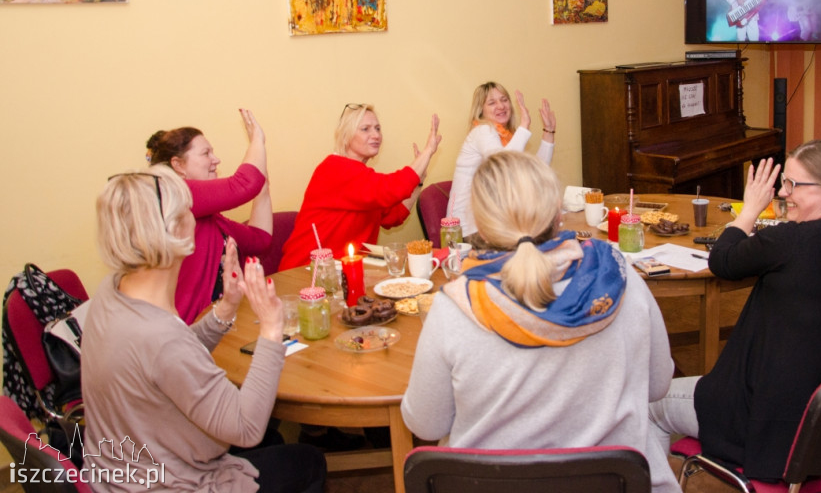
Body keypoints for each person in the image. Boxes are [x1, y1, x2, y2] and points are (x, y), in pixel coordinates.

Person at [402, 151, 682, 493]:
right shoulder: (622, 279)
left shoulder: (455, 307)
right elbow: (657, 386)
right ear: (558, 214)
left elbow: (425, 424)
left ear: (480, 223)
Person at [649, 143, 821, 482]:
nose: (783, 193)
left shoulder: (791, 241)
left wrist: (750, 208)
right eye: (785, 182)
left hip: (772, 426)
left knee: (650, 405)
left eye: (793, 185)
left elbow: (722, 260)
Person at [83, 167, 325, 493]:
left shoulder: (111, 293)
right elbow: (246, 426)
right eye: (189, 212)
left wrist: (225, 309)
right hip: (169, 488)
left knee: (275, 441)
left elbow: (165, 365)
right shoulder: (159, 335)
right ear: (172, 230)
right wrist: (270, 327)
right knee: (308, 460)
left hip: (119, 477)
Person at [146, 109, 272, 324]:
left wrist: (263, 187)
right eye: (206, 154)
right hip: (187, 330)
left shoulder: (208, 218)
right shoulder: (174, 195)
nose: (216, 160)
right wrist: (257, 141)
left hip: (218, 323)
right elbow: (244, 185)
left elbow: (259, 240)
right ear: (178, 165)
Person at [280, 104, 441, 270]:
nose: (376, 135)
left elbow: (393, 216)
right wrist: (428, 151)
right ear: (346, 136)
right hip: (306, 272)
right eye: (365, 129)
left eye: (378, 128)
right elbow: (392, 189)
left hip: (340, 271)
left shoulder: (362, 177)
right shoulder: (335, 168)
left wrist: (419, 181)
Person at [447, 82, 556, 237]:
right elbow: (502, 164)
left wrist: (549, 131)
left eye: (504, 100)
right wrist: (524, 125)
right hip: (468, 232)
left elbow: (535, 172)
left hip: (492, 224)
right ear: (481, 111)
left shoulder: (507, 139)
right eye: (492, 102)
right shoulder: (482, 131)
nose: (500, 106)